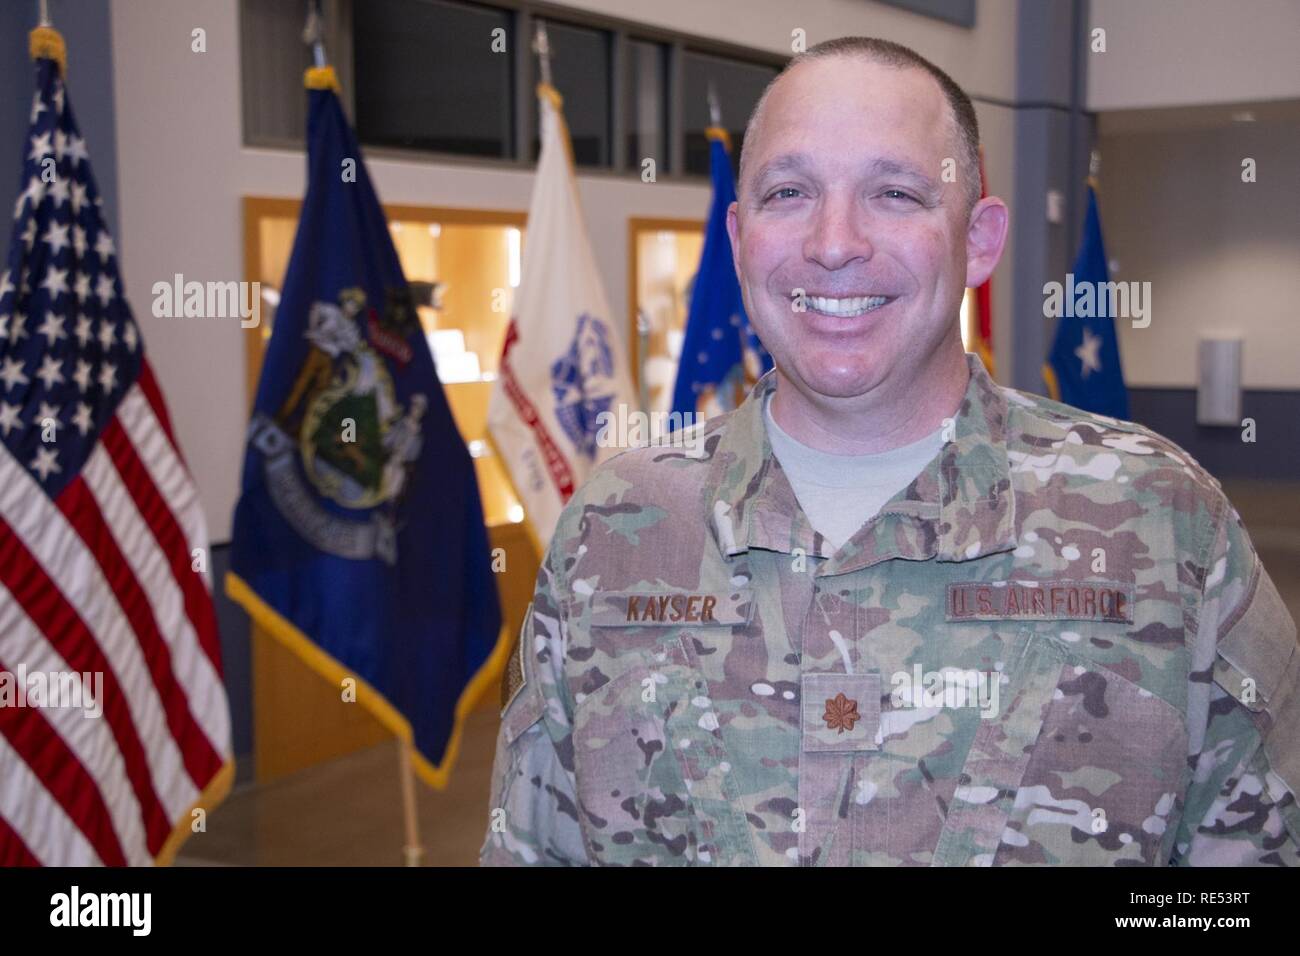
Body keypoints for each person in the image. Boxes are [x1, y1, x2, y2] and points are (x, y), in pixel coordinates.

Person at [480, 36, 1300, 866]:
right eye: (790, 191)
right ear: (739, 235)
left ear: (978, 241)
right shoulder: (616, 529)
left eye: (896, 193)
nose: (835, 242)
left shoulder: (1161, 523)